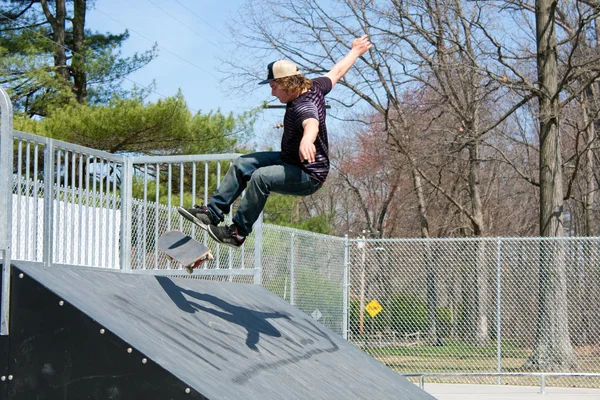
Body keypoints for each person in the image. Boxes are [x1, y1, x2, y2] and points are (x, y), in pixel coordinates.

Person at [178, 35, 372, 247]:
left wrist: (307, 141)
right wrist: (355, 51)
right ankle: (212, 213)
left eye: (274, 87)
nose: (272, 93)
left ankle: (237, 233)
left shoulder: (302, 106)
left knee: (261, 177)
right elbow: (336, 72)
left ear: (287, 84)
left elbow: (311, 123)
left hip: (309, 175)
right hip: (288, 161)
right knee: (243, 163)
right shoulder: (316, 87)